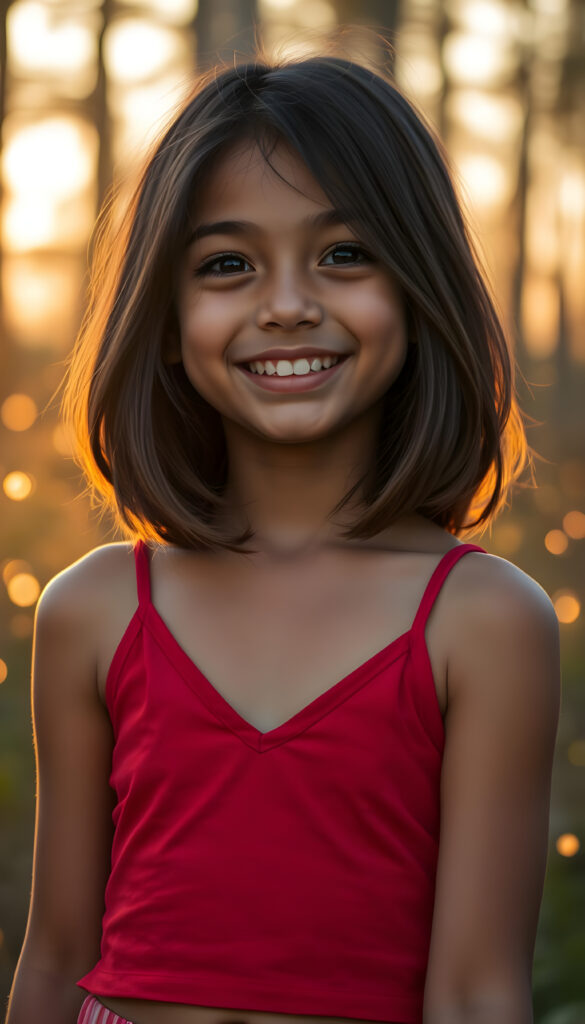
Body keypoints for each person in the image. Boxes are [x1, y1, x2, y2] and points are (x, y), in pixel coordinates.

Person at [5, 52, 560, 1024]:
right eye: (227, 265)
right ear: (168, 321)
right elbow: (55, 956)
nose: (288, 303)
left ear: (420, 289)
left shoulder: (484, 619)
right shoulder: (92, 609)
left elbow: (476, 992)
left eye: (345, 254)